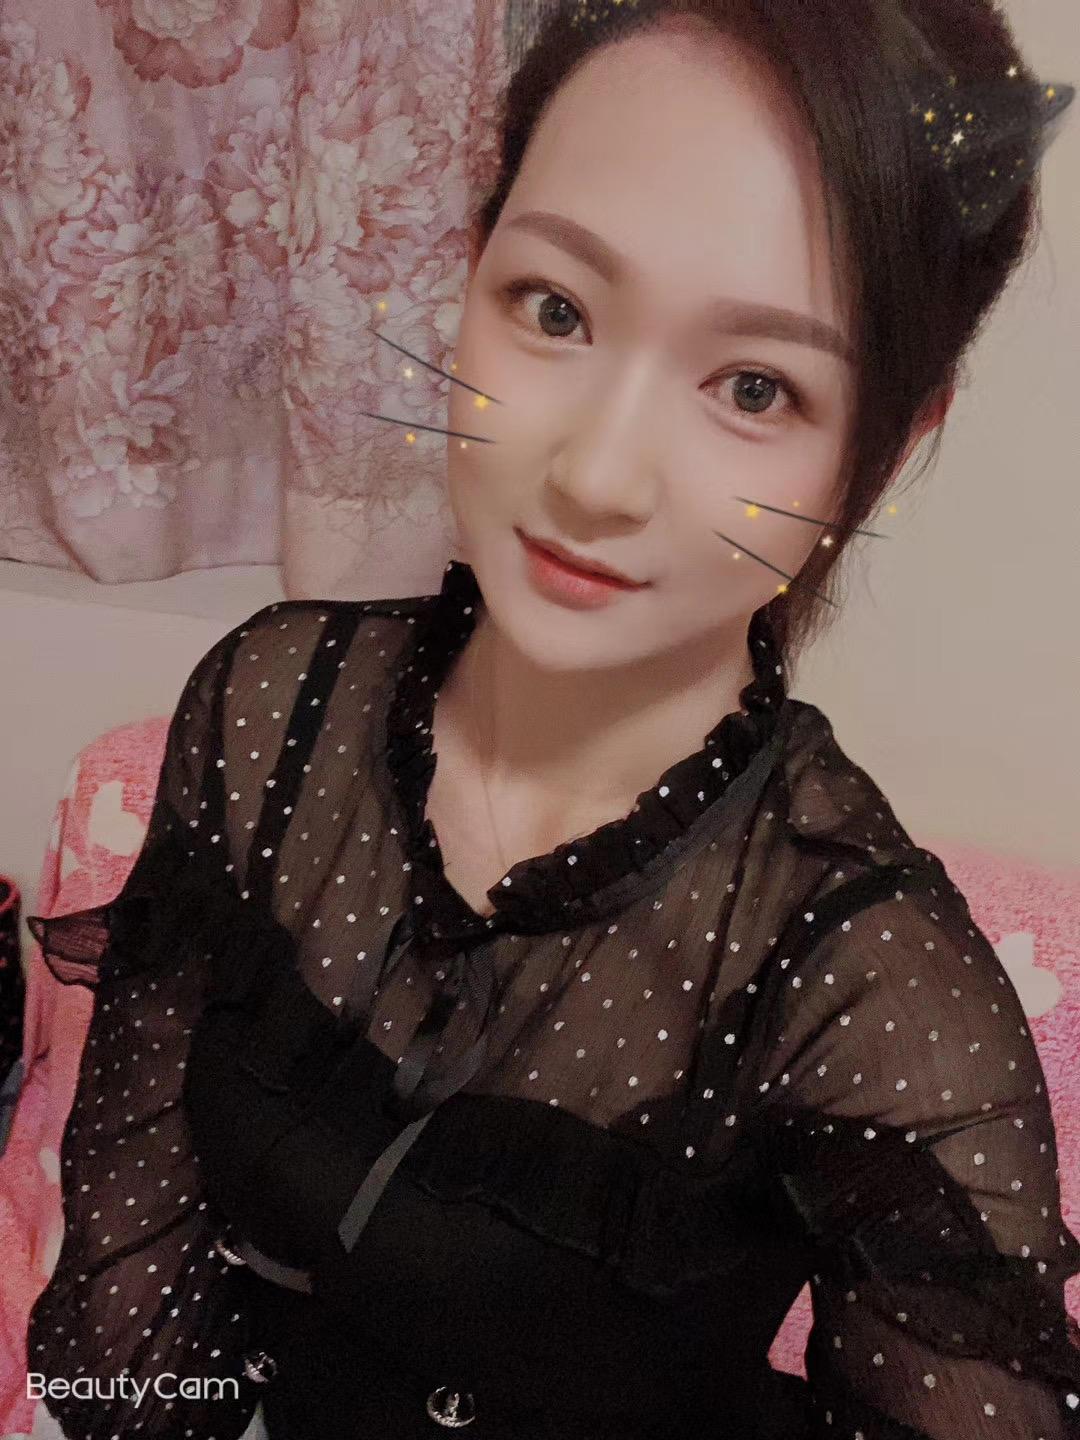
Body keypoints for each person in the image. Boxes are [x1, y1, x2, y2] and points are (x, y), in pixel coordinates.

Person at [21, 2, 1079, 1437]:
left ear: (888, 449)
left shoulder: (868, 988)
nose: (594, 476)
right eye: (555, 309)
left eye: (754, 387)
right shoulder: (273, 712)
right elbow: (132, 1311)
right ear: (473, 268)